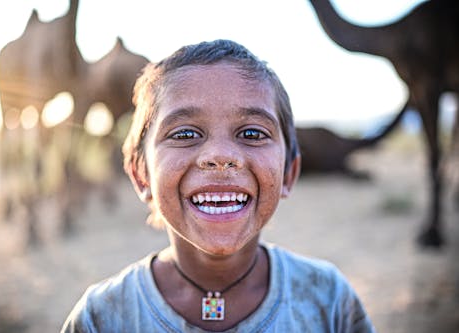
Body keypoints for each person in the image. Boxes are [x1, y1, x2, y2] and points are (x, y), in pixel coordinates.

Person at [60, 39, 376, 333]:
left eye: (252, 134)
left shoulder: (330, 301)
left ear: (288, 174)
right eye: (184, 134)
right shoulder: (100, 318)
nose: (220, 157)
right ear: (141, 176)